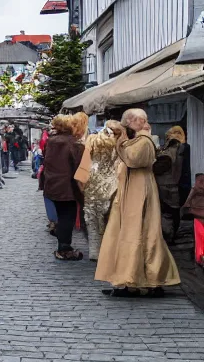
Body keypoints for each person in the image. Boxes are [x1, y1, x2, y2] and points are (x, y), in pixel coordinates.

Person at [97, 109, 181, 297]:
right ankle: (131, 280)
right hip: (132, 187)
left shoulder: (144, 141)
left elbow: (133, 160)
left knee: (141, 232)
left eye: (129, 121)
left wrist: (122, 139)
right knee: (129, 231)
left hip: (139, 188)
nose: (126, 124)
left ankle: (150, 281)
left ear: (137, 121)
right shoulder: (138, 140)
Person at [40, 114, 83, 260]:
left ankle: (61, 239)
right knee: (67, 217)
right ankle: (64, 248)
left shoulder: (51, 141)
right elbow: (78, 166)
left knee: (62, 214)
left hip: (53, 184)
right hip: (68, 186)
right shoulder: (73, 143)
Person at [81, 121, 122, 261]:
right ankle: (109, 251)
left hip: (93, 180)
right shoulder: (120, 141)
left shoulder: (92, 139)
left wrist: (81, 183)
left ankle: (94, 251)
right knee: (110, 217)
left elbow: (85, 162)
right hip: (113, 182)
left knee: (91, 217)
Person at [156, 126, 191, 244]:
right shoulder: (185, 148)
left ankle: (168, 237)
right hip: (177, 186)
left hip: (167, 186)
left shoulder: (171, 149)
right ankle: (171, 235)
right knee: (174, 212)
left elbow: (161, 166)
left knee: (167, 213)